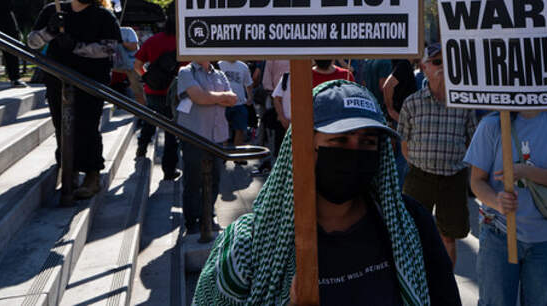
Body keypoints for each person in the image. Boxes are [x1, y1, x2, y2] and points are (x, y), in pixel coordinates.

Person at [193, 80, 461, 305]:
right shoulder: (249, 245)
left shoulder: (409, 224)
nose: (354, 153)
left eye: (367, 142)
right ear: (304, 147)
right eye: (340, 140)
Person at [465, 106, 547, 306]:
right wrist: (496, 201)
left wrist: (524, 171)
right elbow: (476, 181)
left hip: (545, 237)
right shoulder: (491, 124)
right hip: (498, 233)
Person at [27, 0, 120, 199]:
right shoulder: (53, 10)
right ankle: (69, 170)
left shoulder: (104, 16)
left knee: (87, 127)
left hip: (91, 82)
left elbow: (110, 48)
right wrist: (49, 31)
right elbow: (32, 43)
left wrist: (77, 47)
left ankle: (92, 175)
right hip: (57, 80)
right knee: (61, 126)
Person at [398, 43, 478, 266]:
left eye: (447, 62)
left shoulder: (463, 102)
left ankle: (446, 280)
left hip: (453, 178)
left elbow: (473, 141)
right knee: (414, 233)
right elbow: (404, 142)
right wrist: (418, 163)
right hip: (419, 177)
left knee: (449, 237)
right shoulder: (412, 103)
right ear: (424, 67)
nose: (442, 66)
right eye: (436, 62)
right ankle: (419, 280)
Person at [176, 59, 236, 234]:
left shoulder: (219, 73)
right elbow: (199, 98)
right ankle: (192, 221)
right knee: (193, 180)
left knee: (215, 178)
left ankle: (208, 216)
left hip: (217, 137)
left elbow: (233, 99)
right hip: (194, 136)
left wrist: (208, 97)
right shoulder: (186, 72)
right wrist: (220, 97)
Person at [133, 9, 181, 179]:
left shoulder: (152, 40)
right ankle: (169, 170)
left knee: (150, 120)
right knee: (172, 131)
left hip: (153, 90)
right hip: (175, 93)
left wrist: (147, 78)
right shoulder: (184, 43)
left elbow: (137, 65)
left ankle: (142, 147)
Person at [218, 59, 254, 149]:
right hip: (222, 103)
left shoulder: (243, 66)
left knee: (240, 130)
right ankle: (223, 152)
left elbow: (248, 84)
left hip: (239, 103)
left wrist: (250, 97)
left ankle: (237, 153)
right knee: (222, 130)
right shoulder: (219, 65)